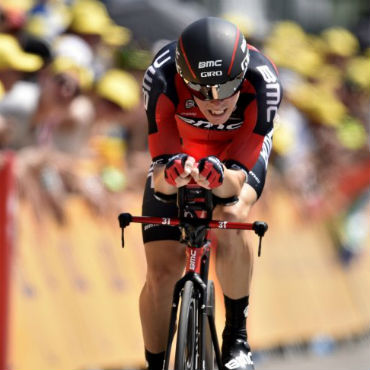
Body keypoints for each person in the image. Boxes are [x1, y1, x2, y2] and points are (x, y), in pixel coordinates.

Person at [140, 17, 282, 370]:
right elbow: (159, 174)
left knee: (232, 213)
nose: (216, 102)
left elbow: (237, 181)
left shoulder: (264, 81)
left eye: (227, 86)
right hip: (182, 151)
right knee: (161, 273)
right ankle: (154, 363)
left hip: (236, 154)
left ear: (244, 71)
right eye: (201, 90)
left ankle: (237, 336)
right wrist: (173, 175)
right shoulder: (159, 76)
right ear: (183, 77)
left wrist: (219, 179)